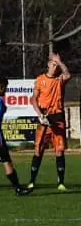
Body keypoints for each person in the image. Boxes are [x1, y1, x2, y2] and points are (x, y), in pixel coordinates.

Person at [28, 53, 71, 191]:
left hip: (58, 118)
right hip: (44, 119)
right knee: (38, 150)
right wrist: (40, 115)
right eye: (53, 63)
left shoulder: (60, 79)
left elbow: (68, 74)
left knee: (59, 150)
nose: (55, 65)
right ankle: (32, 181)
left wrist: (60, 61)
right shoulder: (40, 80)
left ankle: (61, 182)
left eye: (56, 64)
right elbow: (33, 99)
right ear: (48, 64)